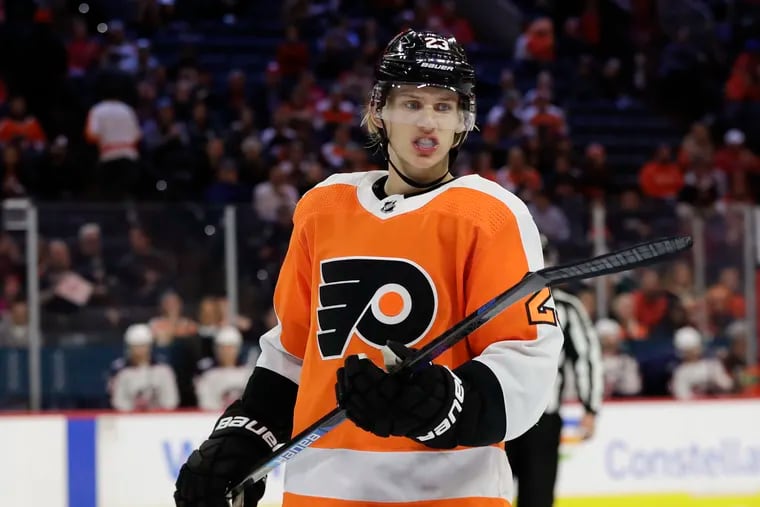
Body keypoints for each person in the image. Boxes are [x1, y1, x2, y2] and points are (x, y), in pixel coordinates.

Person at [174, 29, 563, 507]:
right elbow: (294, 351)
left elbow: (527, 362)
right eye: (411, 103)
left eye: (444, 106)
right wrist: (244, 436)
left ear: (464, 121)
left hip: (450, 494)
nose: (428, 122)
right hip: (319, 493)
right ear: (379, 110)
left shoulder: (490, 215)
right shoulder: (323, 207)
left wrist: (440, 404)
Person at [505, 240, 603, 507]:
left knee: (536, 496)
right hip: (502, 415)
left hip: (537, 417)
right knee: (491, 493)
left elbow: (586, 358)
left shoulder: (567, 308)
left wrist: (591, 407)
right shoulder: (495, 302)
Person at [109, 323, 180, 411]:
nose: (139, 350)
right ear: (129, 347)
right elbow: (118, 401)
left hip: (160, 418)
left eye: (143, 345)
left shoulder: (163, 369)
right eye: (135, 346)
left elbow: (171, 400)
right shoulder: (121, 370)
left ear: (150, 346)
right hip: (129, 419)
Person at [194, 326, 250, 411]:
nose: (226, 352)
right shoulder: (208, 376)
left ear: (238, 349)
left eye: (230, 347)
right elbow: (206, 404)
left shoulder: (248, 374)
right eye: (222, 348)